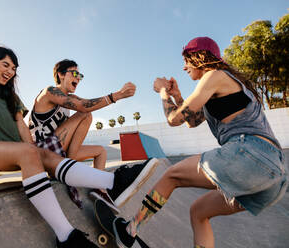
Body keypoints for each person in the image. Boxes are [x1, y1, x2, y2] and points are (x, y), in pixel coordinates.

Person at [0, 46, 159, 247]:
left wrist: (38, 155)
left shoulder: (10, 97)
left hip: (10, 151)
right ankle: (65, 234)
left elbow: (22, 128)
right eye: (6, 65)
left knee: (36, 151)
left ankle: (111, 184)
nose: (10, 72)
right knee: (29, 151)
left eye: (14, 69)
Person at [111, 37, 288, 248]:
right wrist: (177, 96)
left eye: (186, 60)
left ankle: (130, 230)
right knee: (199, 212)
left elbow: (173, 119)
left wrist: (163, 92)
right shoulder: (225, 83)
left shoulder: (214, 75)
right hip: (274, 177)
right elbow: (191, 121)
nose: (184, 67)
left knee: (171, 175)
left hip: (250, 155)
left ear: (199, 57)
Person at [29, 59, 136, 211]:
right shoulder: (49, 92)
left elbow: (83, 102)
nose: (78, 78)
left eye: (80, 76)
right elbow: (83, 107)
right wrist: (116, 96)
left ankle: (100, 191)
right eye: (74, 74)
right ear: (60, 75)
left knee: (101, 151)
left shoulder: (69, 103)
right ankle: (71, 167)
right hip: (41, 152)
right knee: (85, 114)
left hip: (58, 151)